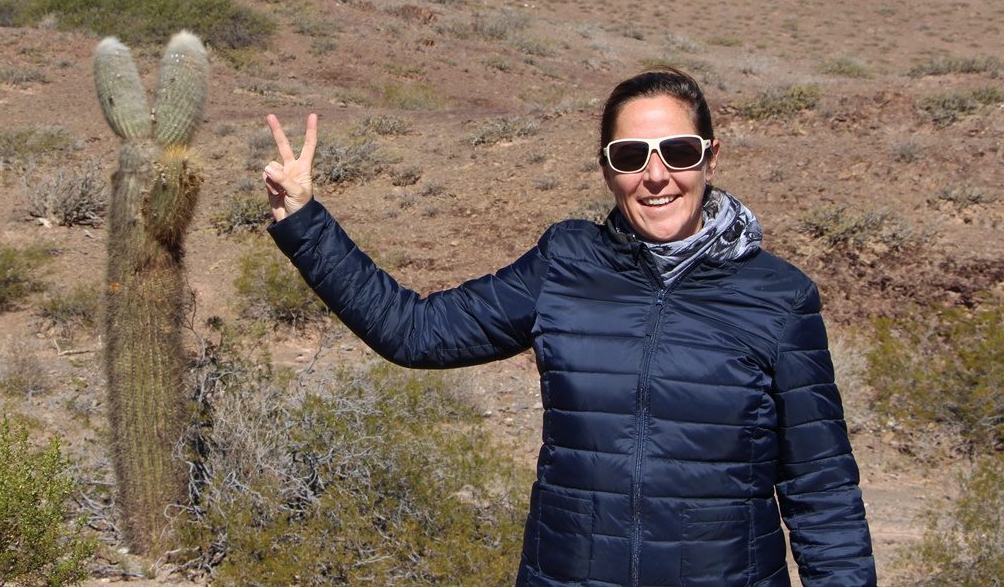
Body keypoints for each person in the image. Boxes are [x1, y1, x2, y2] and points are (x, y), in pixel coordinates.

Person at [262, 68, 877, 587]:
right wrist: (306, 223)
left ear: (711, 157)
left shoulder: (777, 296)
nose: (656, 176)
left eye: (680, 152)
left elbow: (821, 490)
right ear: (608, 169)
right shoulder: (565, 263)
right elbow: (416, 331)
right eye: (631, 156)